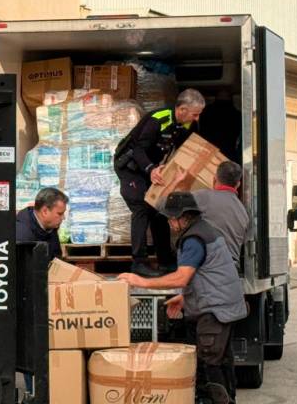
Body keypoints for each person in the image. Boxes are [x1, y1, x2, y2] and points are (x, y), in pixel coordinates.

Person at [118, 192, 247, 404]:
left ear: (183, 216)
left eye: (171, 218)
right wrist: (185, 298)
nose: (169, 222)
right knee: (222, 361)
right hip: (224, 307)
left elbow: (182, 277)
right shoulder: (204, 230)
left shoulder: (194, 239)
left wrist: (141, 281)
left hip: (214, 311)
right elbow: (210, 275)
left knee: (208, 363)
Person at [113, 88, 206, 277]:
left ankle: (165, 260)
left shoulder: (187, 125)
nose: (197, 119)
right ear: (181, 110)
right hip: (131, 166)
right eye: (195, 114)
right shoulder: (159, 119)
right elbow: (139, 149)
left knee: (159, 209)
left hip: (151, 167)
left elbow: (183, 151)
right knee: (141, 208)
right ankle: (138, 263)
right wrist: (150, 169)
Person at [16, 187, 69, 262]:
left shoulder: (51, 226)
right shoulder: (22, 235)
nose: (63, 218)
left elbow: (56, 258)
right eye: (60, 214)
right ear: (45, 211)